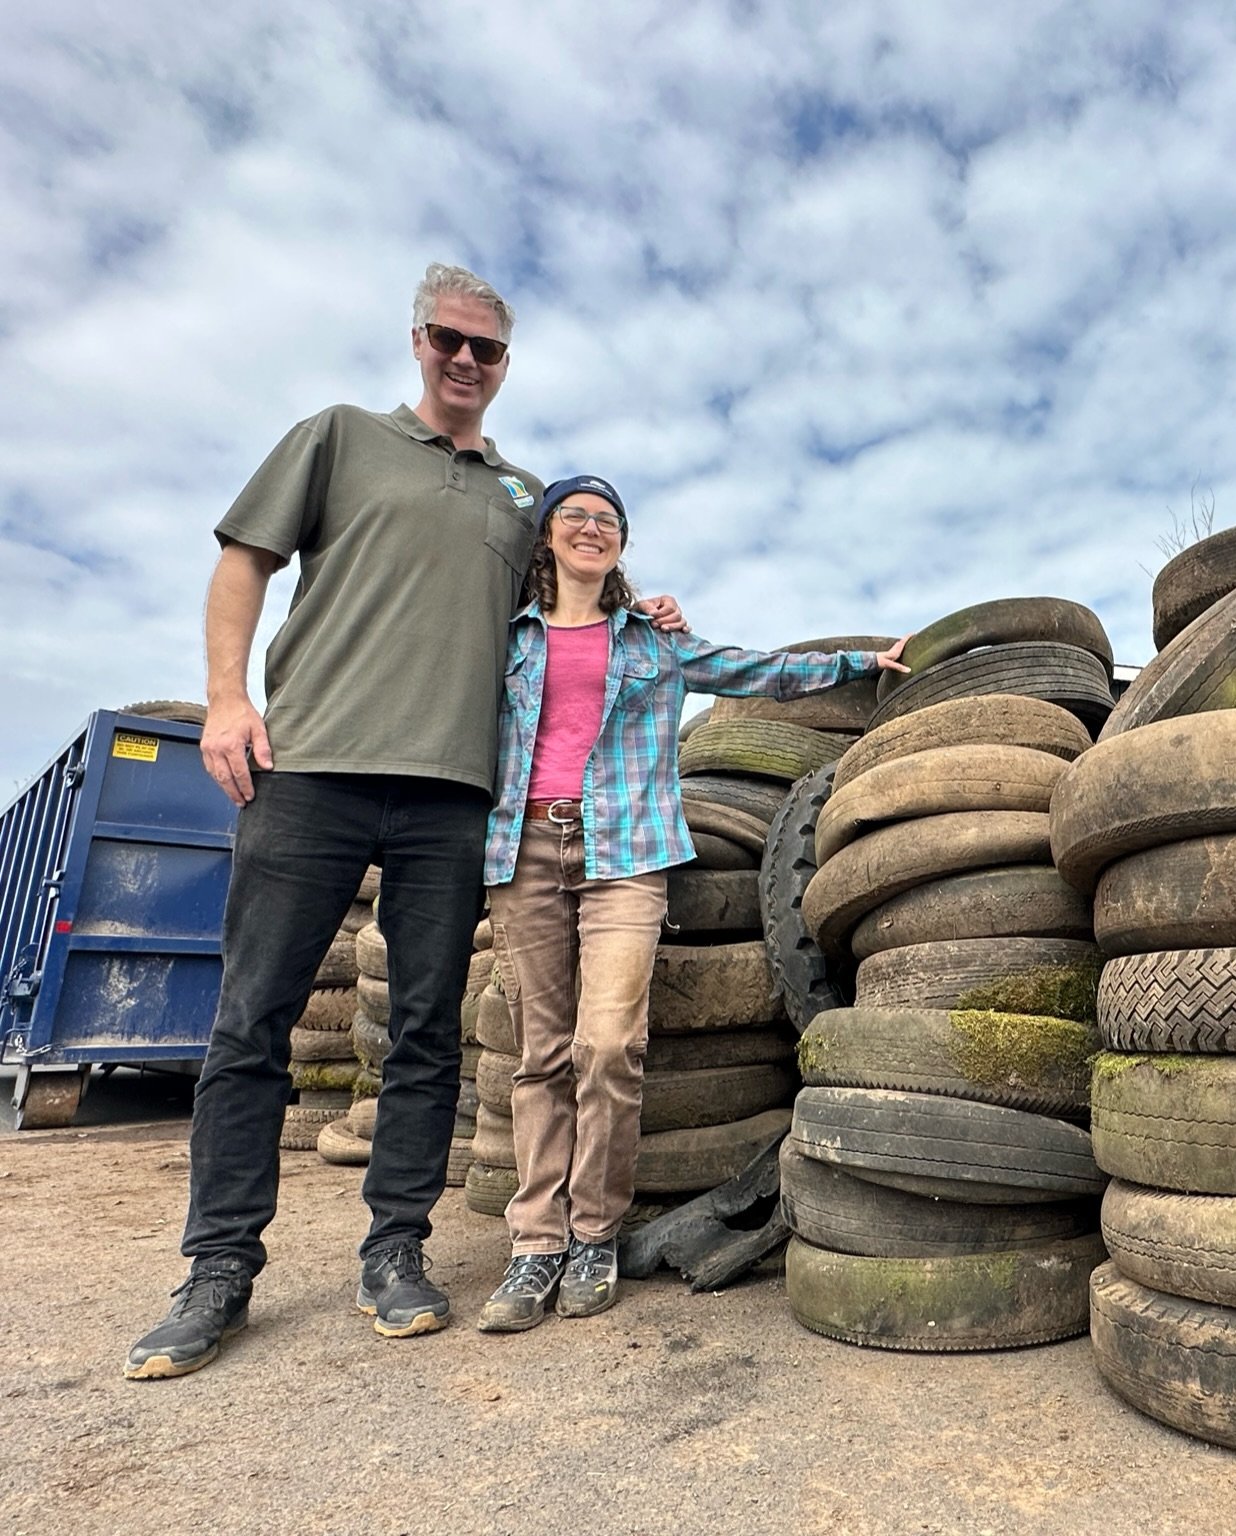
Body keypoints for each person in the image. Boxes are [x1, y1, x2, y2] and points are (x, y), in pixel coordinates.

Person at [125, 265, 688, 1379]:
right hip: (315, 768)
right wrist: (229, 699)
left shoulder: (523, 496)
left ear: (506, 365)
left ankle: (397, 1252)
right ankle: (219, 1269)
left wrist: (654, 607)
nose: (466, 361)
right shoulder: (338, 437)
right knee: (253, 1023)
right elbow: (243, 562)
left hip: (454, 799)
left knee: (428, 1034)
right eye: (449, 340)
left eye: (486, 348)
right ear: (418, 341)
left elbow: (582, 597)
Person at [475, 474, 907, 1329]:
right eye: (575, 517)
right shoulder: (504, 637)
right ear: (546, 539)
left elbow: (759, 672)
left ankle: (592, 1232)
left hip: (627, 856)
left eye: (608, 520)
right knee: (540, 1055)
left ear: (622, 545)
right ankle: (533, 1247)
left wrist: (861, 663)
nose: (592, 529)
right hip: (522, 850)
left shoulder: (653, 642)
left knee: (607, 1045)